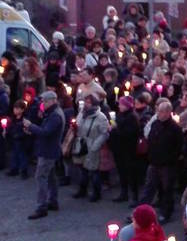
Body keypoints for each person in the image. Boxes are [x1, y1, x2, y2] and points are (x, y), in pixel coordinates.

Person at [138, 100, 183, 223]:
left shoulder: (175, 129)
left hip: (167, 165)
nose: (159, 114)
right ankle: (140, 212)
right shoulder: (155, 124)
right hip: (153, 162)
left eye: (162, 112)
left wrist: (170, 159)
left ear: (169, 112)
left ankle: (166, 213)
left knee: (167, 189)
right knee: (149, 187)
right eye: (158, 111)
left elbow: (178, 147)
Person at [23, 91, 65, 219]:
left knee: (41, 177)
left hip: (48, 151)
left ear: (53, 100)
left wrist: (31, 126)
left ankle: (41, 207)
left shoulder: (55, 116)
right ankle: (52, 201)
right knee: (51, 177)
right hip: (50, 149)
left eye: (45, 101)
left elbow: (46, 132)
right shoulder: (53, 113)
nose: (43, 104)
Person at [72, 93, 110, 203]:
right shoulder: (81, 113)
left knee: (94, 171)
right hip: (81, 144)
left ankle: (96, 193)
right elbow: (79, 126)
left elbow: (105, 134)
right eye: (85, 102)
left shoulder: (101, 117)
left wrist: (95, 145)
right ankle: (82, 189)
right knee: (82, 169)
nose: (86, 104)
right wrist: (74, 127)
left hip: (92, 146)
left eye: (88, 102)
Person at [109, 95, 141, 205]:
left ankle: (134, 196)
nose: (119, 106)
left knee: (131, 174)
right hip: (119, 148)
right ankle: (124, 193)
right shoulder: (120, 115)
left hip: (128, 149)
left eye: (122, 104)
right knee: (121, 171)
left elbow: (129, 134)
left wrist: (115, 129)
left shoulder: (132, 117)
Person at [7, 100, 31, 179]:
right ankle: (14, 169)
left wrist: (20, 135)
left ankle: (24, 171)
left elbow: (26, 130)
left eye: (17, 109)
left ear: (22, 110)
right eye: (14, 108)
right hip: (14, 139)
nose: (15, 110)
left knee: (22, 155)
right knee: (14, 154)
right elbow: (10, 127)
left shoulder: (25, 119)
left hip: (22, 140)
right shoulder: (13, 118)